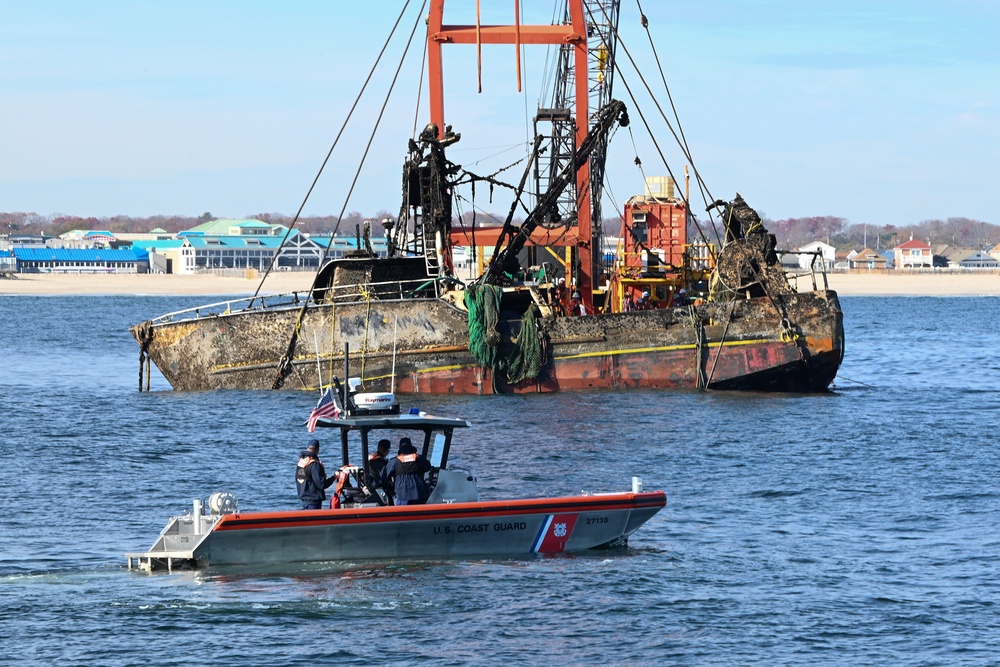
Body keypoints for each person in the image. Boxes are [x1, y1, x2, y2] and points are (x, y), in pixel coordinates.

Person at [380, 437, 432, 505]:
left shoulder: (394, 461)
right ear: (411, 446)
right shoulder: (419, 458)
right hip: (419, 494)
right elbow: (428, 467)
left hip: (403, 495)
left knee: (402, 514)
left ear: (400, 447)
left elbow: (383, 476)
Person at [295, 438, 335, 510]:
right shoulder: (314, 465)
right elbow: (322, 485)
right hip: (313, 501)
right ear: (318, 450)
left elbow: (299, 480)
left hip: (304, 499)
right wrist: (334, 477)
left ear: (307, 448)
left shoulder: (301, 462)